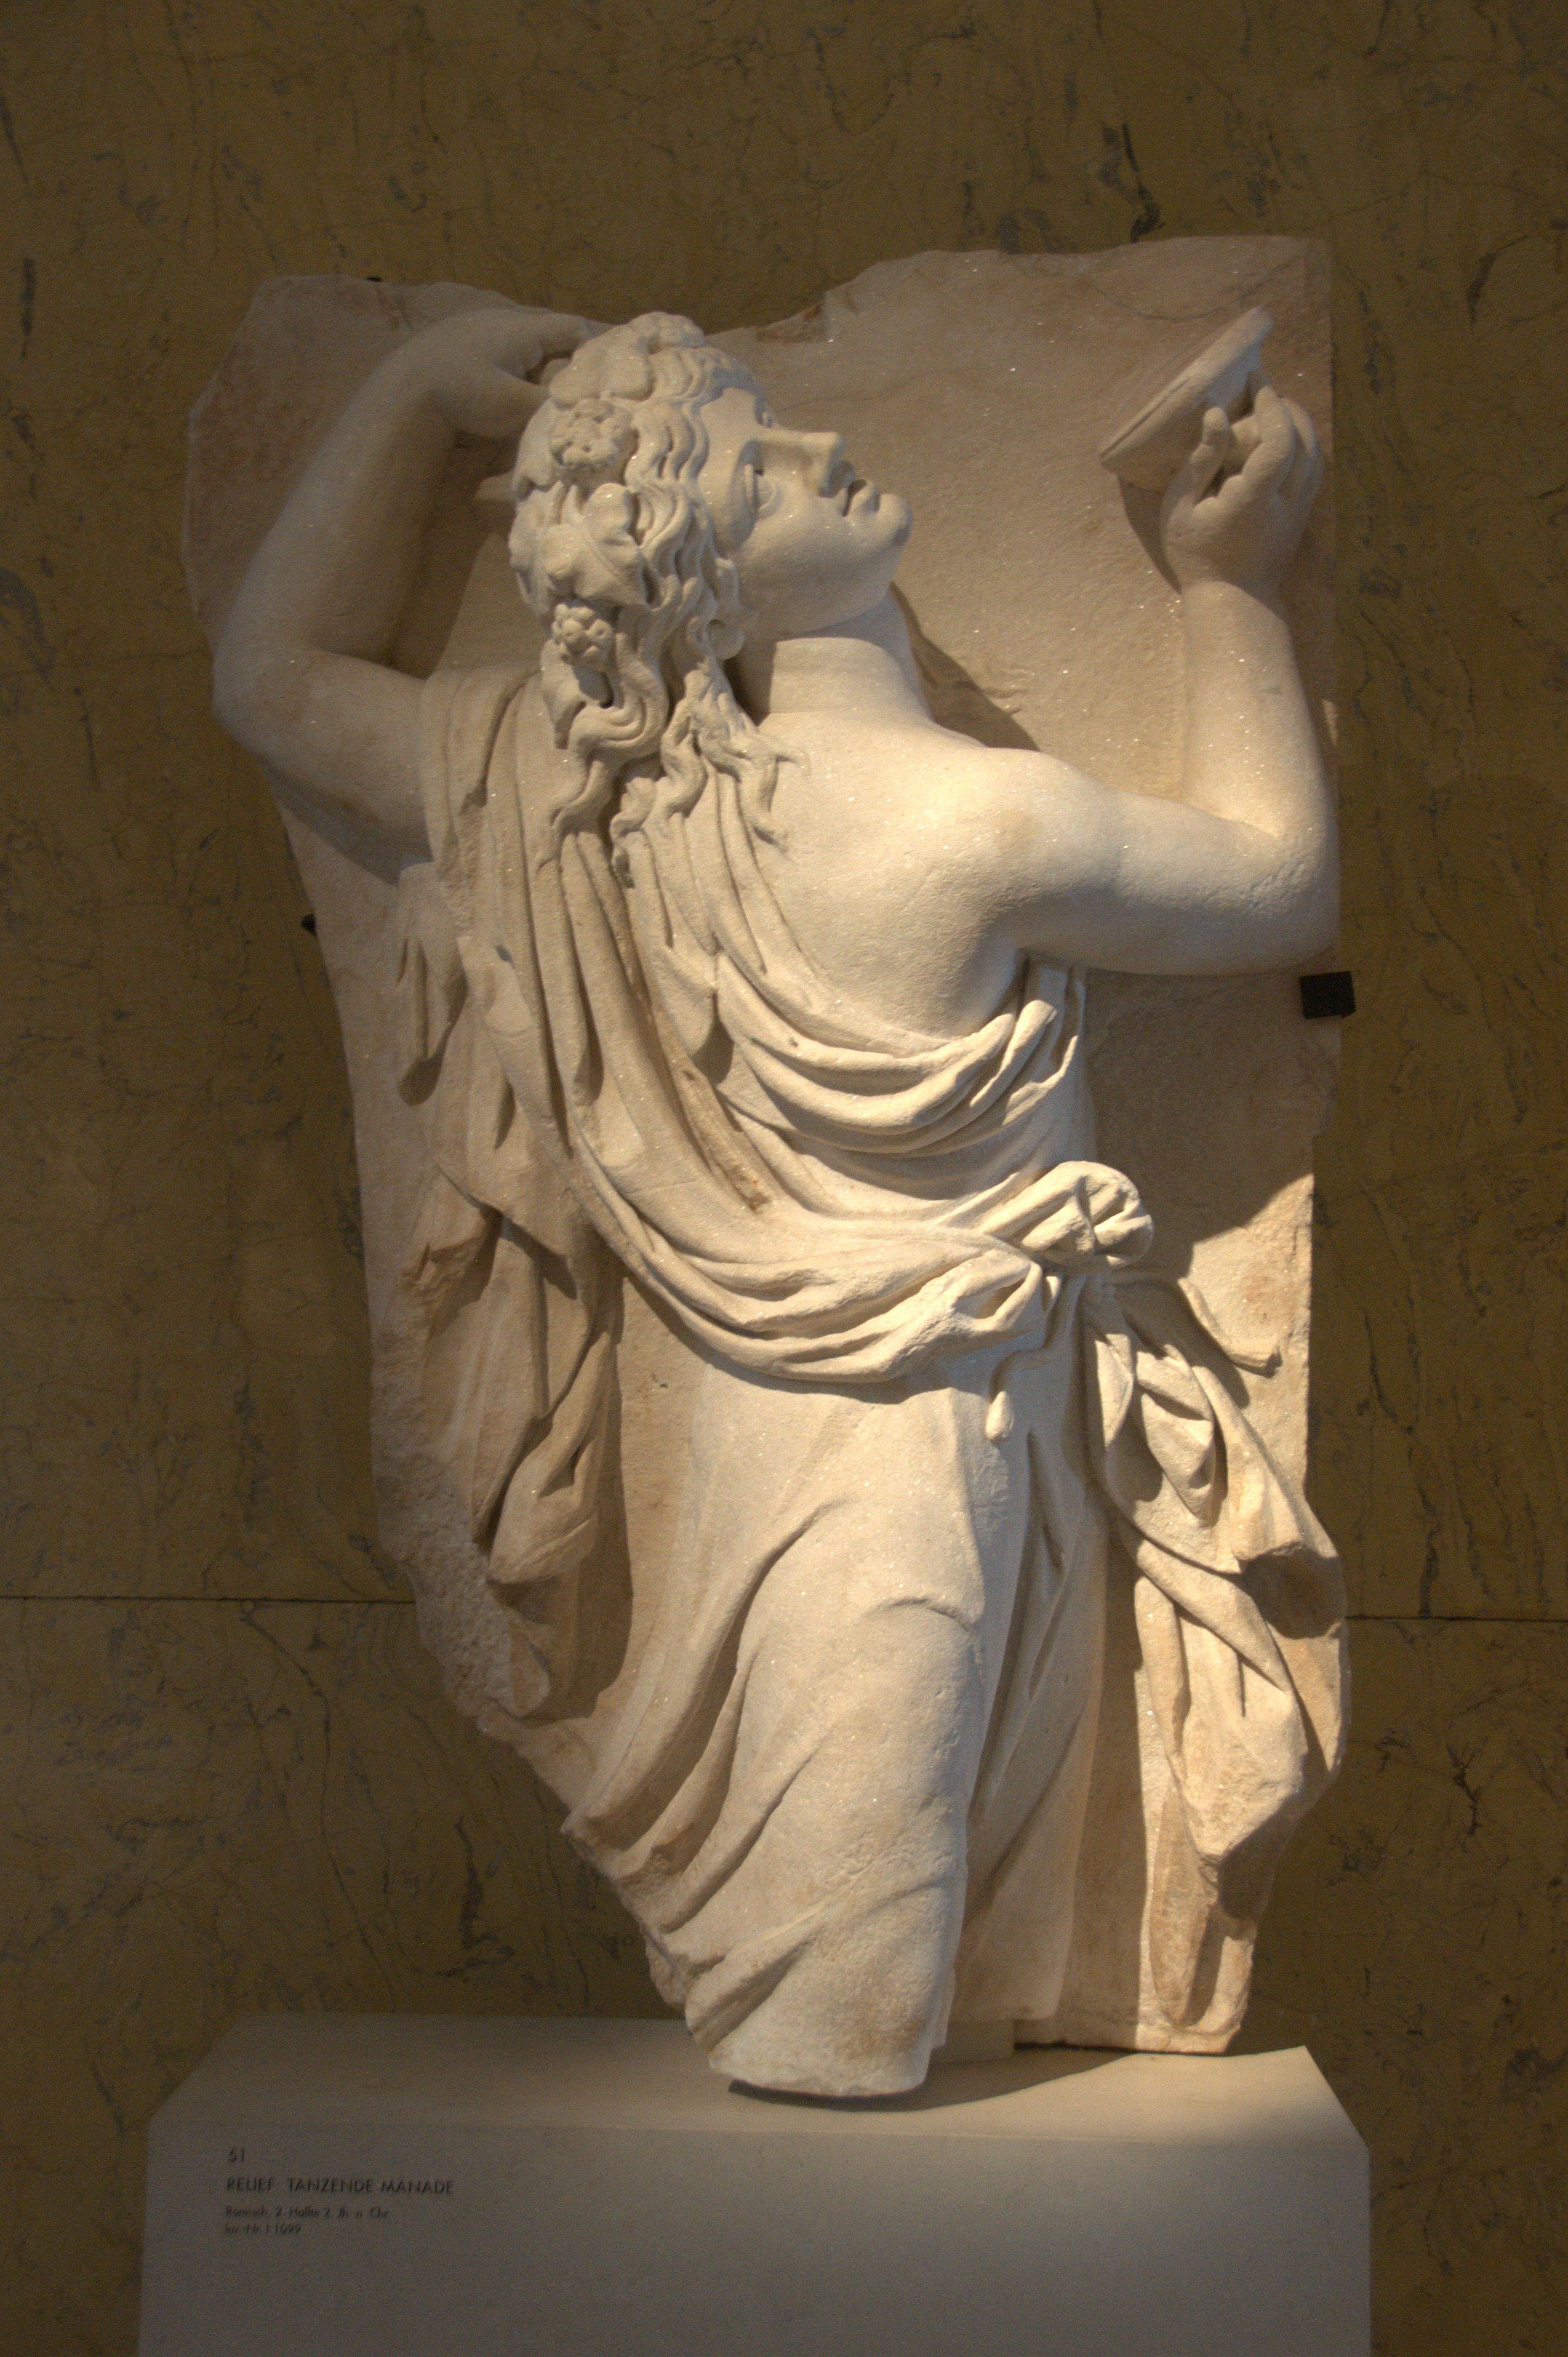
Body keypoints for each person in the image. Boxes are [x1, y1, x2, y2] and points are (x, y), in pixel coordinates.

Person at [213, 304, 1344, 2097]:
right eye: (763, 469)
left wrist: (407, 401)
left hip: (765, 1455)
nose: (824, 453)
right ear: (702, 581)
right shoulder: (967, 824)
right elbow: (1277, 882)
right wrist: (1229, 588)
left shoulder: (568, 810)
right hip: (918, 1462)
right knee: (848, 2013)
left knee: (851, 1990)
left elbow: (272, 675)